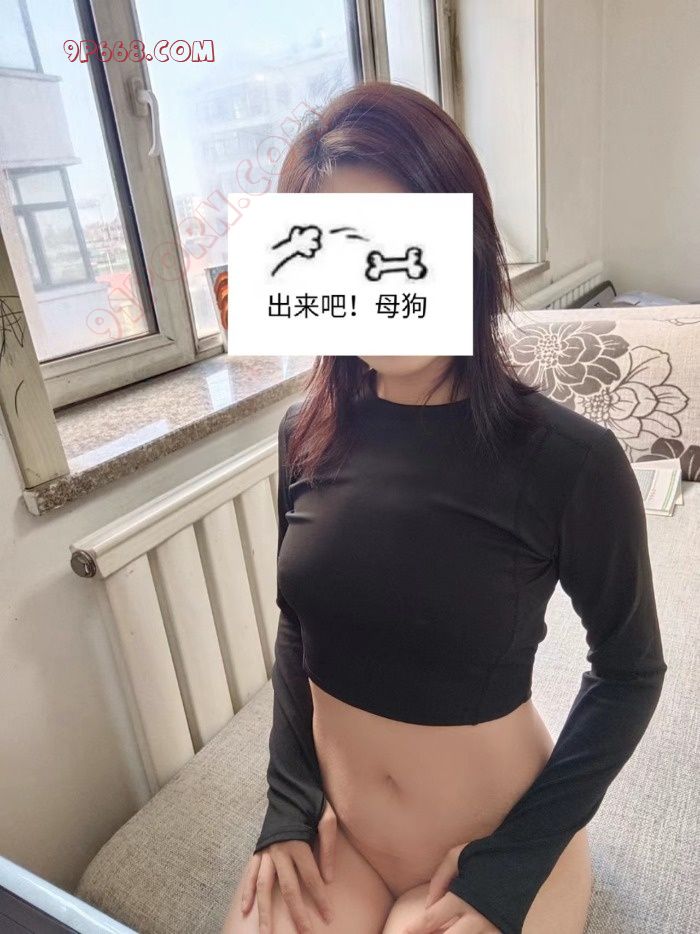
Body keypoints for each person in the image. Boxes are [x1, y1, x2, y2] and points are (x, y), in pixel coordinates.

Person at [223, 82, 667, 934]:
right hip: (344, 836)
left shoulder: (571, 462)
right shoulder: (302, 436)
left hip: (495, 843)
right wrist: (288, 805)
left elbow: (630, 672)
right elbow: (299, 628)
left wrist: (517, 863)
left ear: (466, 249)